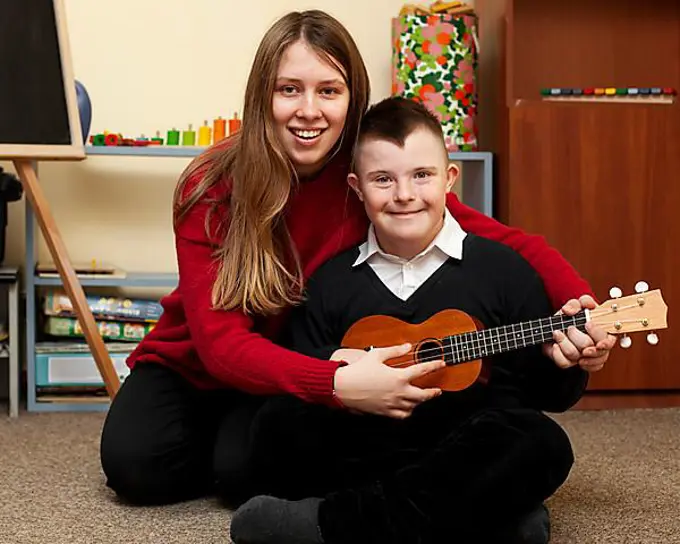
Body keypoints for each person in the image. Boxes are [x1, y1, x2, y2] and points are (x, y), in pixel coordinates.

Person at [100, 8, 613, 516]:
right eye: (289, 90)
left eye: (328, 90)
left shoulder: (372, 176)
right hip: (202, 364)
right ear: (264, 96)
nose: (309, 110)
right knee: (135, 466)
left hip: (296, 354)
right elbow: (221, 345)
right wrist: (336, 384)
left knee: (241, 472)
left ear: (352, 99)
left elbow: (509, 242)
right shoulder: (211, 185)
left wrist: (580, 305)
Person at [229, 97, 614, 544]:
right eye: (382, 180)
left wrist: (569, 362)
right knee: (274, 424)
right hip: (368, 445)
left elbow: (543, 393)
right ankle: (477, 519)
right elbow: (305, 370)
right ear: (356, 187)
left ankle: (331, 526)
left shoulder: (504, 269)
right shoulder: (331, 282)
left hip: (462, 447)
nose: (405, 195)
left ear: (450, 178)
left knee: (539, 440)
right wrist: (342, 373)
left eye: (421, 175)